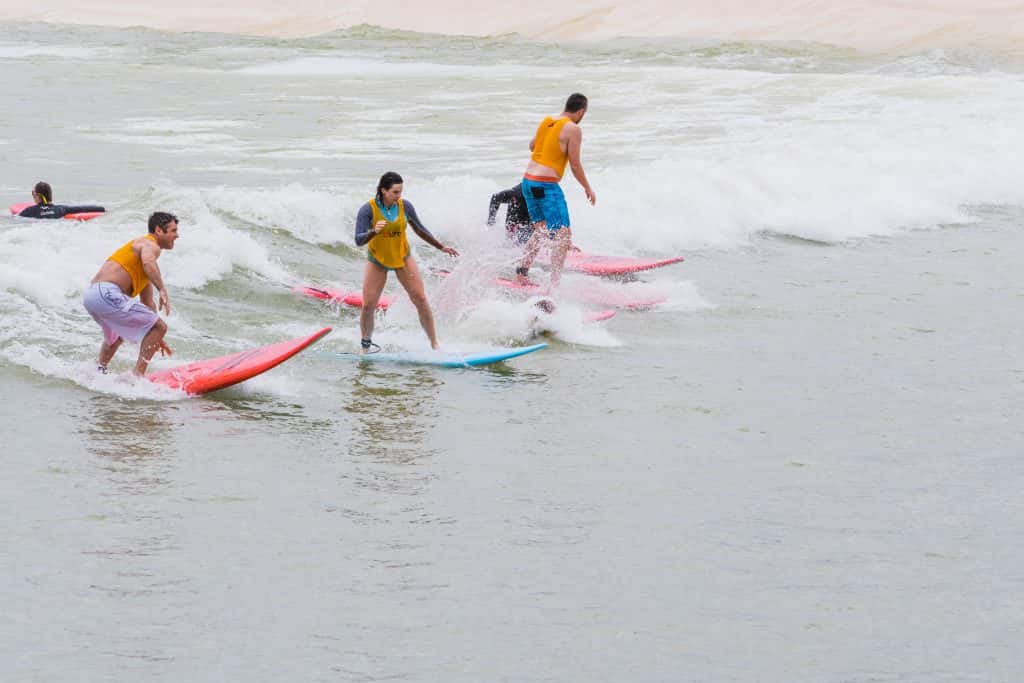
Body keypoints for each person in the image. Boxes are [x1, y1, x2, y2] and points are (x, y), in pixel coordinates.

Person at [354, 172, 458, 352]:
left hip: (402, 257)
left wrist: (441, 247)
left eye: (400, 191)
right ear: (383, 190)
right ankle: (365, 346)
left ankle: (434, 344)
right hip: (378, 260)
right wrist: (373, 232)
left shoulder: (405, 206)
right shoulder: (368, 209)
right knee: (369, 305)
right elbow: (358, 240)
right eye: (395, 192)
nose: (398, 196)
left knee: (420, 298)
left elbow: (420, 229)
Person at [82, 212, 178, 376]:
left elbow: (148, 304)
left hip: (93, 296)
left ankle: (98, 372)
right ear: (158, 230)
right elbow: (149, 262)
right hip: (106, 292)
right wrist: (162, 289)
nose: (177, 235)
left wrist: (156, 337)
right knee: (160, 326)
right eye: (173, 231)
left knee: (117, 335)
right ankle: (137, 376)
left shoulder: (141, 266)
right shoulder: (149, 243)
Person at [516, 93, 596, 291]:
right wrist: (587, 187)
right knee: (563, 236)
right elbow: (575, 164)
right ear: (581, 111)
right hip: (545, 186)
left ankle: (521, 273)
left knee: (541, 230)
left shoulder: (547, 121)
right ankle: (554, 287)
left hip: (528, 182)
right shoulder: (574, 129)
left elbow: (532, 146)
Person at [18, 181, 105, 219]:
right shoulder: (61, 209)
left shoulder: (30, 211)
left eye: (33, 194)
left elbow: (15, 219)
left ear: (37, 196)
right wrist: (102, 209)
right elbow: (83, 208)